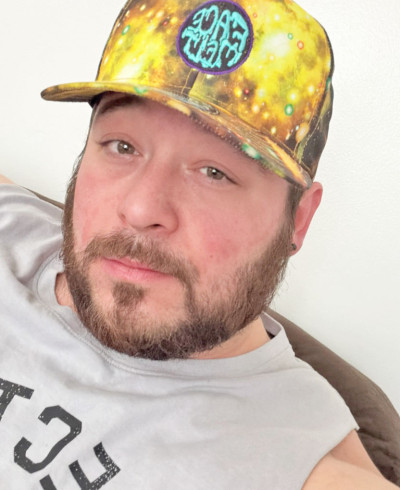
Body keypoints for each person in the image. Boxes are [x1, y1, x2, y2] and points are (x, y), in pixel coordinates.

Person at [0, 0, 397, 488]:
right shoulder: (13, 225)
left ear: (298, 219)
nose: (141, 209)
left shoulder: (298, 462)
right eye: (122, 146)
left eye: (214, 172)